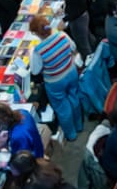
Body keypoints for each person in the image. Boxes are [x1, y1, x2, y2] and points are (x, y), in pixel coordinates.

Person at [28, 14, 84, 144]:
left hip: (55, 81)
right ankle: (79, 125)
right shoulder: (62, 35)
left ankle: (71, 134)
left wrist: (31, 53)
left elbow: (35, 70)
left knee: (62, 107)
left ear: (37, 33)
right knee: (74, 97)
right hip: (71, 72)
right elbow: (73, 48)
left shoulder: (38, 50)